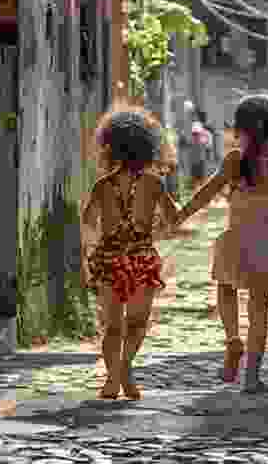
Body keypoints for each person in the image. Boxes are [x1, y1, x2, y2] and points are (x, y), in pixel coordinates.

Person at [172, 94, 268, 393]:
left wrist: (180, 215)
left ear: (238, 130)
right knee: (259, 311)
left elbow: (205, 194)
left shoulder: (234, 161)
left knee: (225, 287)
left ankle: (232, 339)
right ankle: (252, 378)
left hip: (237, 240)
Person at [81, 102, 181, 400]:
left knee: (112, 327)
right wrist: (159, 228)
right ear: (148, 147)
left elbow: (87, 223)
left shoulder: (102, 186)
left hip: (109, 258)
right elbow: (173, 219)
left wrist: (93, 253)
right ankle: (125, 369)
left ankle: (113, 380)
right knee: (136, 323)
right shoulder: (155, 184)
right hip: (141, 258)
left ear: (110, 147)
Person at [190, 107, 212, 191]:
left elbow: (208, 149)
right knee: (197, 182)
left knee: (201, 182)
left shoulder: (205, 133)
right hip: (197, 160)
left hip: (201, 160)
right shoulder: (206, 134)